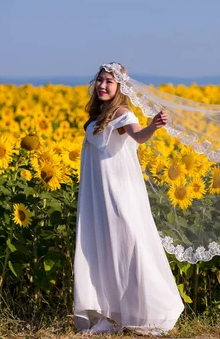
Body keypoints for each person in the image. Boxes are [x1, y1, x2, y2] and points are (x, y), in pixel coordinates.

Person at [73, 62, 184, 335]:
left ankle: (149, 311)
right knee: (101, 247)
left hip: (118, 192)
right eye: (100, 80)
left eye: (109, 82)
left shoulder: (123, 113)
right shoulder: (99, 114)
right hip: (98, 193)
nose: (102, 86)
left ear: (120, 86)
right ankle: (109, 314)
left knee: (129, 245)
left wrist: (153, 127)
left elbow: (139, 135)